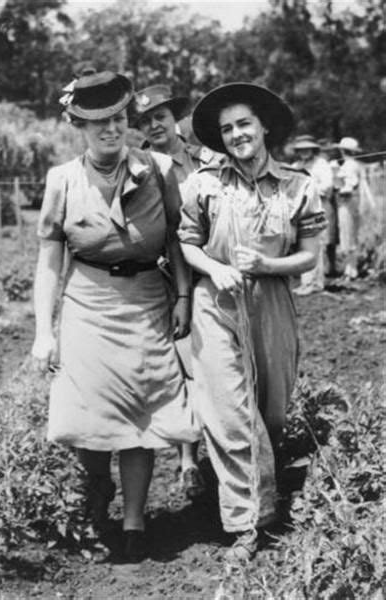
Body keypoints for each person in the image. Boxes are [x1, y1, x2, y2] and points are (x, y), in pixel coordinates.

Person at [31, 70, 200, 563]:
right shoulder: (61, 180)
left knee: (141, 409)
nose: (110, 130)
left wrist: (184, 297)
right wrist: (45, 332)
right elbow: (48, 260)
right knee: (91, 409)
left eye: (119, 119)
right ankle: (96, 485)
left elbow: (177, 237)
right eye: (98, 122)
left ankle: (135, 522)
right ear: (77, 126)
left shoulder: (161, 169)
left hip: (148, 298)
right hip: (87, 301)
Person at [178, 83, 326, 562]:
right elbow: (187, 242)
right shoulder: (205, 183)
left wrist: (268, 266)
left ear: (264, 126)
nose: (237, 134)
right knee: (228, 410)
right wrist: (214, 267)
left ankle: (273, 490)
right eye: (227, 129)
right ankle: (246, 523)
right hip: (216, 300)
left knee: (273, 408)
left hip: (272, 300)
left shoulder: (298, 185)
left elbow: (309, 256)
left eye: (244, 124)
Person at [134, 84, 218, 501]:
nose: (154, 125)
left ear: (175, 118)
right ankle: (189, 460)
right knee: (186, 364)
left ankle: (226, 448)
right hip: (173, 275)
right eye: (146, 121)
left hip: (216, 270)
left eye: (160, 116)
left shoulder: (209, 159)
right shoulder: (143, 168)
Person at [291, 135, 333, 294]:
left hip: (318, 207)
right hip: (301, 210)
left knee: (316, 243)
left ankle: (316, 283)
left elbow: (327, 185)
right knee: (303, 244)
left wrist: (308, 189)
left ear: (313, 149)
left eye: (306, 149)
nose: (304, 152)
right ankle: (306, 282)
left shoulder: (321, 164)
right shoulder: (296, 165)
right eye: (301, 150)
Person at [334, 137, 365, 280]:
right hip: (347, 202)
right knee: (347, 233)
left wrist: (339, 189)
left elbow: (350, 186)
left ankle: (352, 270)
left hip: (348, 202)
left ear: (342, 150)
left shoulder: (350, 165)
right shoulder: (350, 164)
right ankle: (349, 268)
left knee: (348, 233)